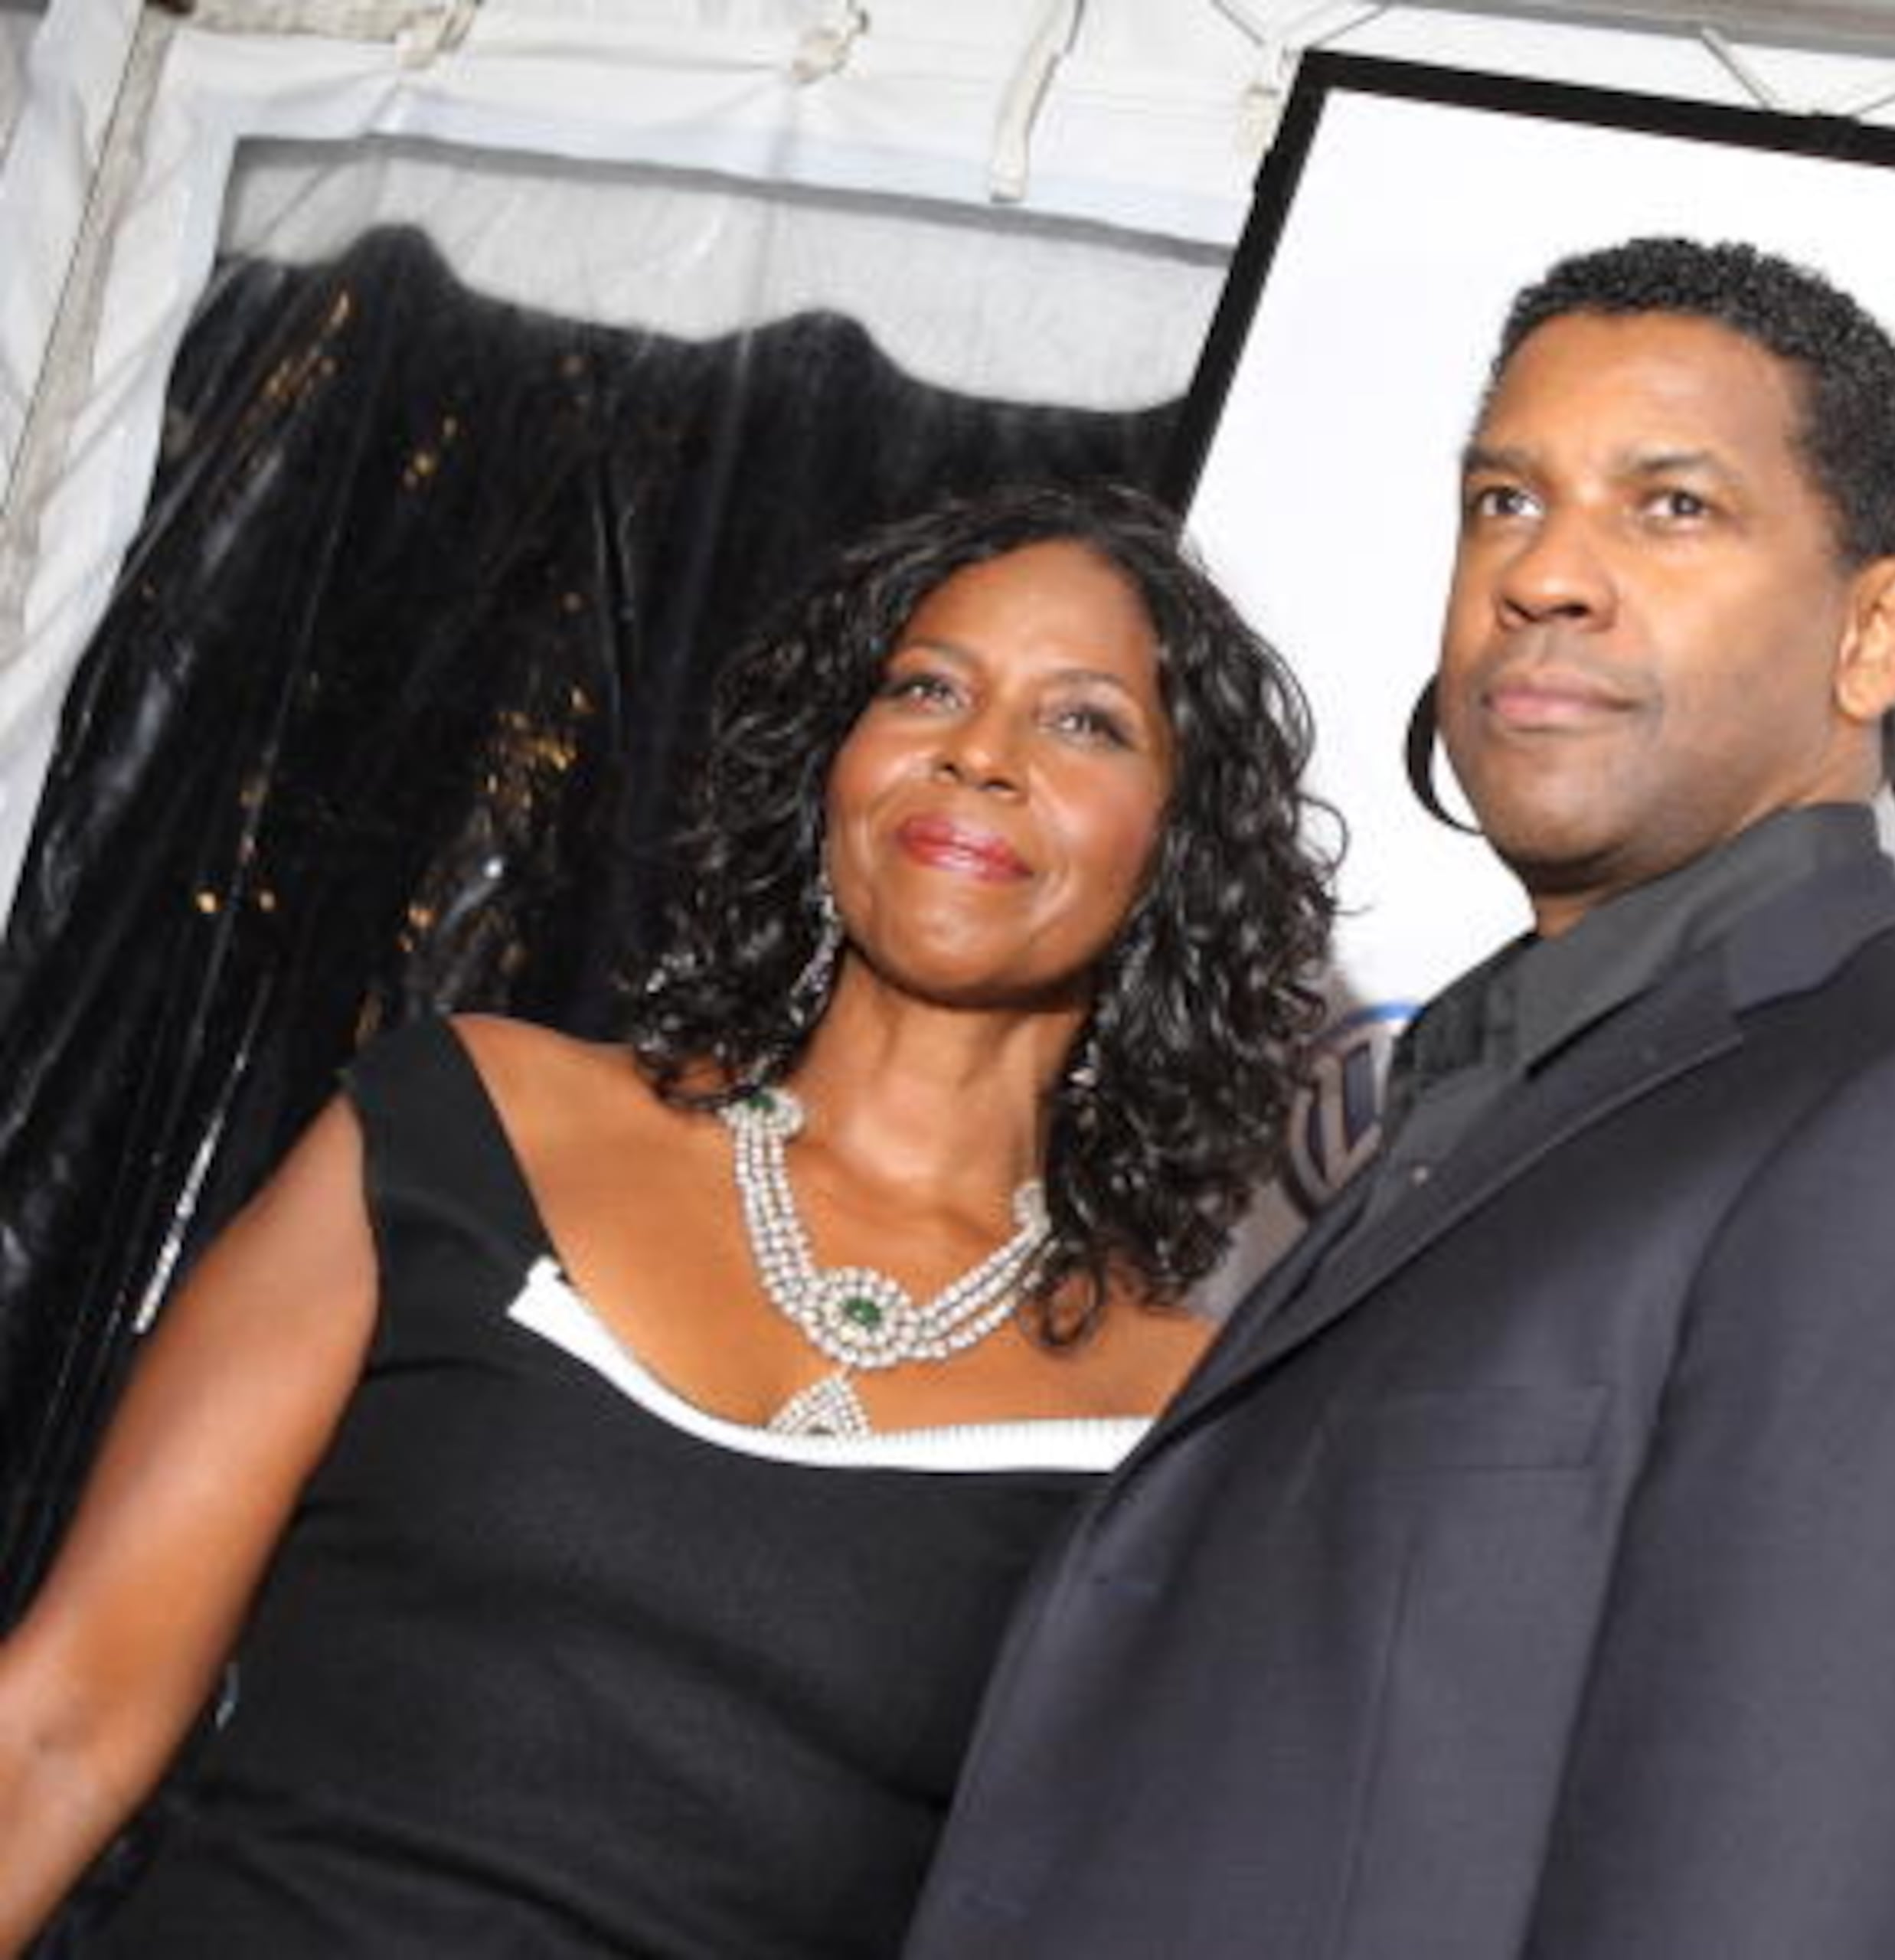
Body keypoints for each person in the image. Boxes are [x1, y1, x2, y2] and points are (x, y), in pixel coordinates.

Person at [903, 238, 1895, 1960]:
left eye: (1671, 508)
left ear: (1876, 629)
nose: (1545, 577)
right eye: (1505, 500)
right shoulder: (1472, 1089)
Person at [0, 482, 1333, 1956]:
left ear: (1176, 854)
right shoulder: (467, 1126)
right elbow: (61, 1726)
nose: (981, 751)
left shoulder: (1174, 1419)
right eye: (927, 688)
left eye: (1084, 722)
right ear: (832, 766)